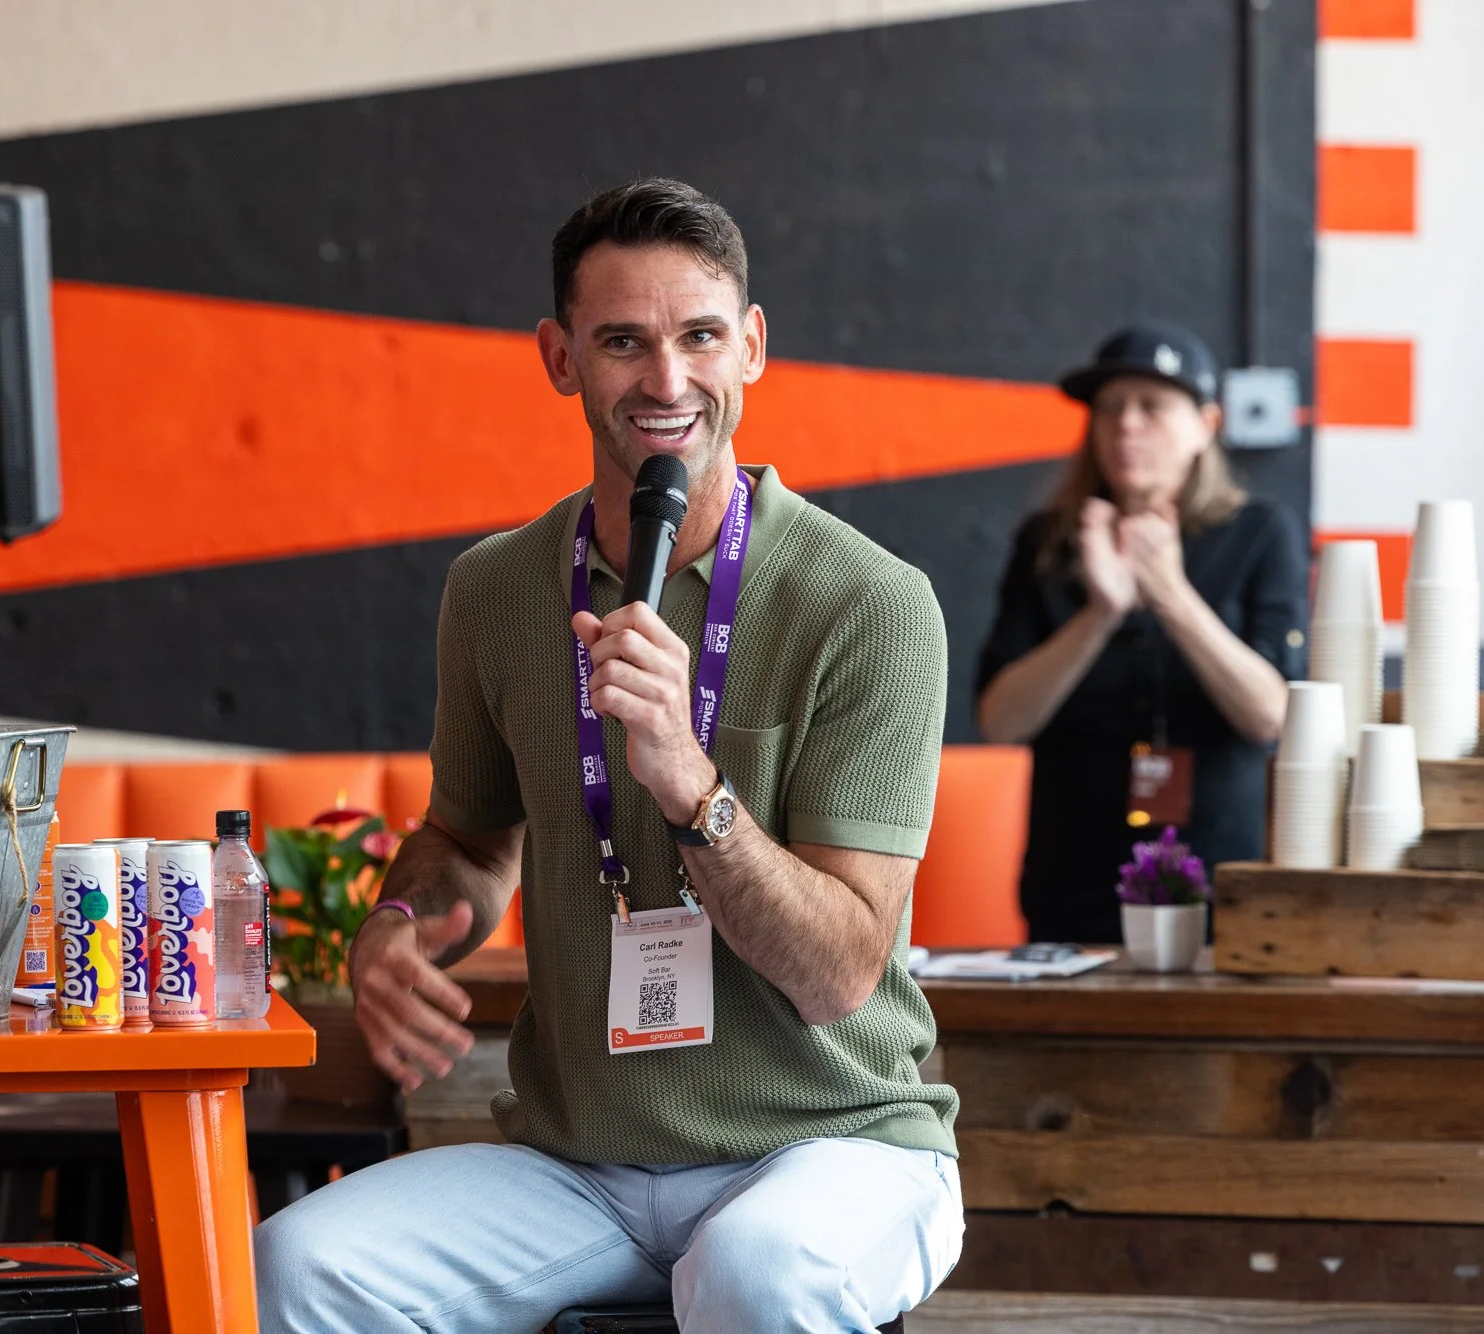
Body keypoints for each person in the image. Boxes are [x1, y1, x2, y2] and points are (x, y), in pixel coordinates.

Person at [256, 179, 962, 1334]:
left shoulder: (867, 601)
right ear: (559, 357)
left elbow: (839, 972)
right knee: (290, 1266)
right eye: (623, 341)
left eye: (699, 337)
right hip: (579, 1162)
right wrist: (394, 925)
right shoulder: (492, 588)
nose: (667, 380)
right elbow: (466, 840)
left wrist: (688, 779)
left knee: (752, 1273)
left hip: (832, 1145)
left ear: (752, 347)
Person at [973, 322, 1306, 944]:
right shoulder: (1048, 542)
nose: (1126, 425)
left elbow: (1272, 715)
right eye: (1109, 408)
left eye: (1151, 406)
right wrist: (1100, 613)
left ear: (1206, 424)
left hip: (1222, 890)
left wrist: (1171, 593)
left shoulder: (1260, 533)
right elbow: (1001, 721)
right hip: (1074, 890)